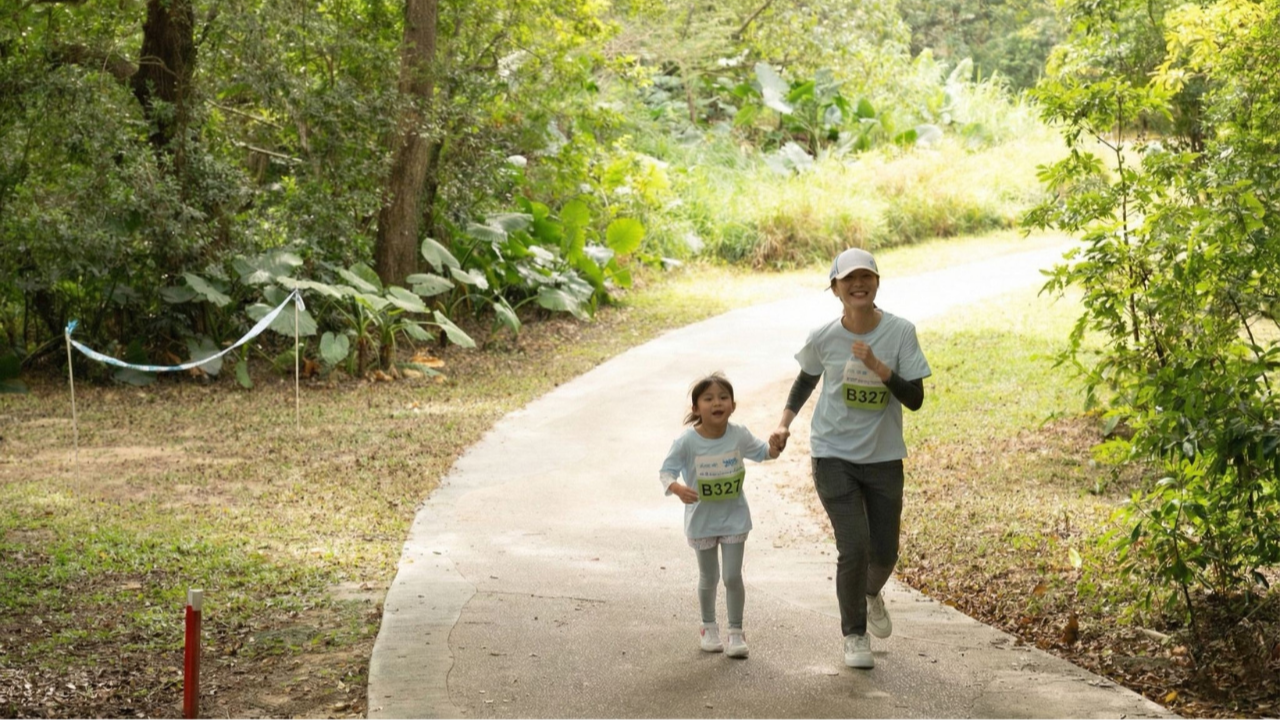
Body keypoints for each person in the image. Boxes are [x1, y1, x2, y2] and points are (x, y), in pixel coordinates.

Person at [769, 247, 930, 670]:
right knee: (854, 547)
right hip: (833, 453)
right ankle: (854, 635)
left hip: (883, 456)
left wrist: (880, 368)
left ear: (877, 283)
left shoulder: (900, 332)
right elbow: (805, 380)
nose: (858, 285)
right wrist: (784, 424)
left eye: (867, 277)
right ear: (835, 288)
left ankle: (869, 592)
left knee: (885, 553)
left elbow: (915, 399)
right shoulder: (824, 336)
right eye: (849, 280)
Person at [660, 372, 780, 659]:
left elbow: (764, 452)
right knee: (709, 576)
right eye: (709, 398)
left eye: (723, 398)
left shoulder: (738, 434)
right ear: (696, 408)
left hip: (734, 517)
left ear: (733, 405)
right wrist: (677, 488)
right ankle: (708, 627)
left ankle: (736, 632)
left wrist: (775, 446)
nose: (717, 403)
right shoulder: (687, 441)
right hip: (702, 520)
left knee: (732, 576)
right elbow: (666, 471)